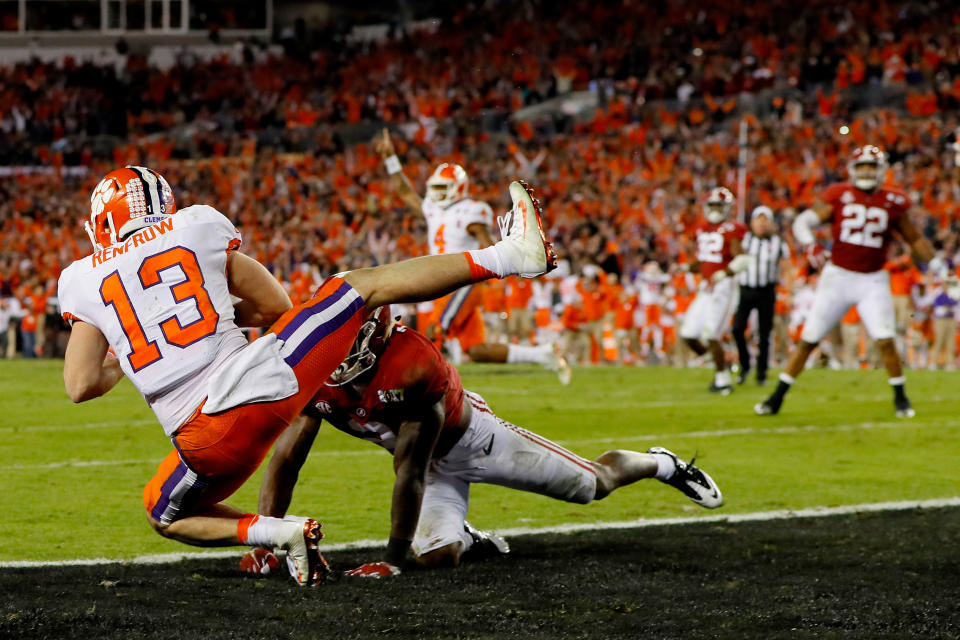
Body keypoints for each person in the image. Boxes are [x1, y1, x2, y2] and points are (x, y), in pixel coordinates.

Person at [58, 166, 556, 586]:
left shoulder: (80, 278)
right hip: (258, 395)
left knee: (162, 513)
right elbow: (276, 306)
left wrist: (127, 352)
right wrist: (214, 316)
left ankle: (275, 533)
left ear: (104, 218)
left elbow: (79, 386)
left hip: (204, 446)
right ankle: (511, 255)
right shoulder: (195, 226)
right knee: (358, 286)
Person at [240, 309, 722, 578]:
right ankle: (468, 537)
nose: (340, 354)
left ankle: (661, 464)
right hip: (428, 467)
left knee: (593, 485)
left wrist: (391, 558)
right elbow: (286, 459)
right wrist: (265, 538)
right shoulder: (309, 369)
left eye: (351, 341)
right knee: (438, 557)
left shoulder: (411, 364)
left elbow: (408, 470)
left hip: (474, 441)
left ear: (378, 335)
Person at [755, 146, 939, 418]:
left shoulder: (892, 201)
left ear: (880, 170)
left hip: (873, 280)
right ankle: (776, 397)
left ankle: (901, 397)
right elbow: (804, 221)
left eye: (871, 166)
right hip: (838, 277)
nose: (866, 171)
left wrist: (935, 263)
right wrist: (810, 245)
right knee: (809, 339)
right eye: (861, 166)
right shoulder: (840, 195)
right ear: (853, 169)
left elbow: (914, 239)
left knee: (885, 340)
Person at [374, 129, 571, 384]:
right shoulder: (434, 209)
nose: (437, 193)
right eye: (435, 188)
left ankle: (425, 389)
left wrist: (496, 267)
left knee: (434, 331)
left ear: (459, 187)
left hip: (462, 282)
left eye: (443, 188)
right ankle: (543, 354)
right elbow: (404, 192)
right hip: (442, 282)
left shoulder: (471, 210)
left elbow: (486, 243)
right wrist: (391, 159)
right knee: (476, 350)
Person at [679, 187, 751, 395]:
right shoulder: (703, 229)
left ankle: (723, 381)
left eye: (719, 205)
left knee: (711, 334)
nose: (715, 209)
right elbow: (706, 262)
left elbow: (743, 259)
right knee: (688, 334)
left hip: (723, 288)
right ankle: (721, 360)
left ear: (727, 208)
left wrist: (725, 274)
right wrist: (687, 268)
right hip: (706, 288)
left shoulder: (732, 229)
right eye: (712, 205)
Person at [732, 206, 791, 386]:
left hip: (766, 290)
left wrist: (789, 291)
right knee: (737, 328)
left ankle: (761, 373)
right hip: (745, 289)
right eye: (759, 219)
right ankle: (745, 365)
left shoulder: (779, 243)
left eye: (766, 220)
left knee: (765, 334)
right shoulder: (744, 240)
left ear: (772, 223)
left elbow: (787, 268)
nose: (762, 224)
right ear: (752, 223)